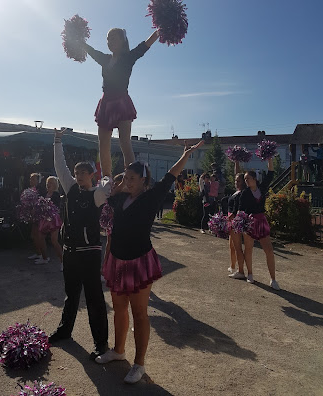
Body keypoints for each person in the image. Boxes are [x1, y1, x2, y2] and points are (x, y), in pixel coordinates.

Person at [95, 140, 205, 384]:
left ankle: (139, 364)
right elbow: (107, 197)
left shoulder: (151, 197)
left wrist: (185, 155)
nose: (128, 182)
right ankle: (118, 350)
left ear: (144, 181)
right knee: (119, 309)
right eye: (127, 178)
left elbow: (169, 177)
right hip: (118, 260)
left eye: (133, 178)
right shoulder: (119, 199)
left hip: (139, 261)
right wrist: (120, 184)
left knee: (140, 313)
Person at [48, 128, 110, 360]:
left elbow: (108, 182)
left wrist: (105, 176)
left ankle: (101, 344)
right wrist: (57, 140)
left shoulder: (97, 194)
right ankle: (65, 331)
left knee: (94, 299)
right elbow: (59, 166)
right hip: (70, 252)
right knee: (70, 295)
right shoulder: (71, 188)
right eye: (76, 172)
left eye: (83, 172)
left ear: (92, 175)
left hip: (90, 254)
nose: (78, 176)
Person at [84, 29, 159, 177]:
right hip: (105, 103)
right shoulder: (105, 59)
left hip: (122, 102)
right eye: (108, 39)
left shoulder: (128, 57)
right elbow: (90, 50)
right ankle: (106, 180)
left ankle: (132, 178)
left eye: (113, 38)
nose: (110, 42)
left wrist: (159, 30)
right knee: (103, 146)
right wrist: (77, 38)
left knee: (125, 142)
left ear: (122, 41)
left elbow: (144, 45)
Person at [238, 159, 280, 290]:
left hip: (261, 221)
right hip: (249, 222)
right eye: (245, 179)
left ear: (254, 178)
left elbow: (271, 173)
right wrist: (240, 220)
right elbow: (240, 209)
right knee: (249, 249)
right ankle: (250, 274)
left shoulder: (262, 187)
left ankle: (273, 279)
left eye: (248, 178)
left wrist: (270, 159)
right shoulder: (244, 193)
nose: (246, 181)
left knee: (269, 250)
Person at [35, 176, 63, 269]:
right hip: (44, 219)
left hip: (53, 220)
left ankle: (63, 262)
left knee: (54, 241)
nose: (48, 184)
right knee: (40, 238)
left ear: (55, 184)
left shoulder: (56, 195)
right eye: (47, 183)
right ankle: (44, 258)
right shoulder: (45, 194)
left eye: (50, 182)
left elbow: (56, 207)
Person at [227, 162, 246, 277]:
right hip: (231, 219)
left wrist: (231, 217)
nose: (236, 182)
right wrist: (236, 162)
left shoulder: (242, 193)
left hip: (235, 220)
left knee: (238, 247)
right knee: (231, 245)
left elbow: (237, 208)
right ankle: (233, 266)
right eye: (235, 180)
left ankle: (241, 270)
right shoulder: (237, 191)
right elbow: (237, 173)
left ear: (243, 182)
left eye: (238, 181)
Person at [27, 173, 43, 261]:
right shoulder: (30, 190)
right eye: (30, 179)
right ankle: (38, 253)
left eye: (33, 179)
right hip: (33, 216)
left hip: (39, 216)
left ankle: (41, 254)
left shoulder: (40, 190)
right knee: (33, 235)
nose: (31, 181)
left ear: (38, 181)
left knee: (37, 235)